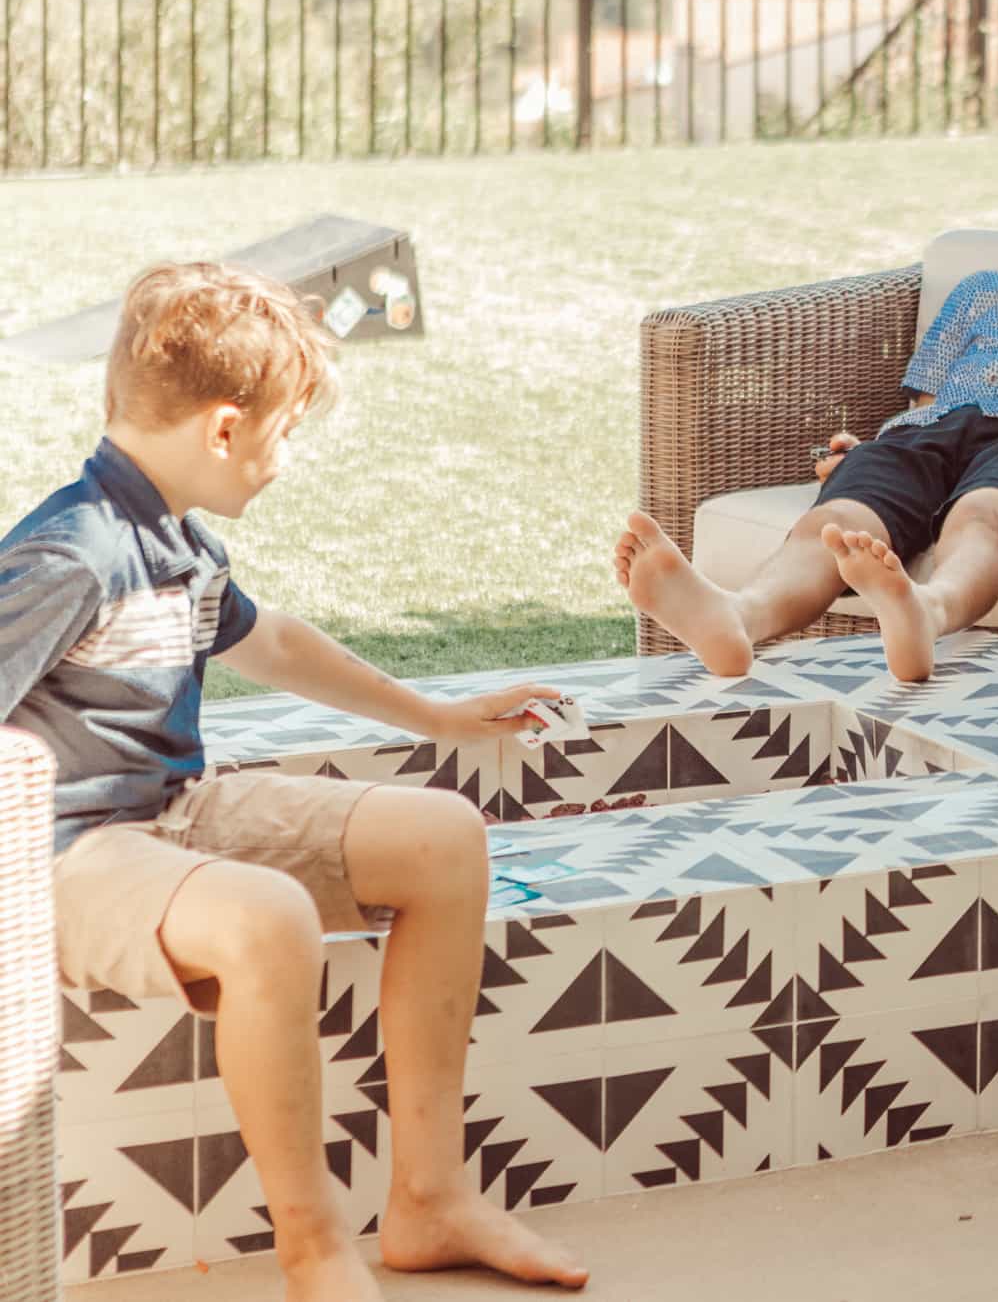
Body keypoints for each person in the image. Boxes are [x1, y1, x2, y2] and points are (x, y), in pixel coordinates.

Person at [0, 263, 587, 1301]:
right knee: (269, 913)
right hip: (68, 853)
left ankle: (431, 1198)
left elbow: (276, 644)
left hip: (172, 810)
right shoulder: (71, 553)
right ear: (227, 428)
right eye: (285, 428)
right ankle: (315, 1248)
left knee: (443, 835)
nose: (285, 457)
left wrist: (442, 715)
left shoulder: (178, 538)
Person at [616, 140, 998, 683]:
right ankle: (739, 617)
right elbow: (924, 404)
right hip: (935, 430)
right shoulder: (983, 293)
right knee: (842, 522)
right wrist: (865, 452)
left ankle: (926, 608)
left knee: (985, 518)